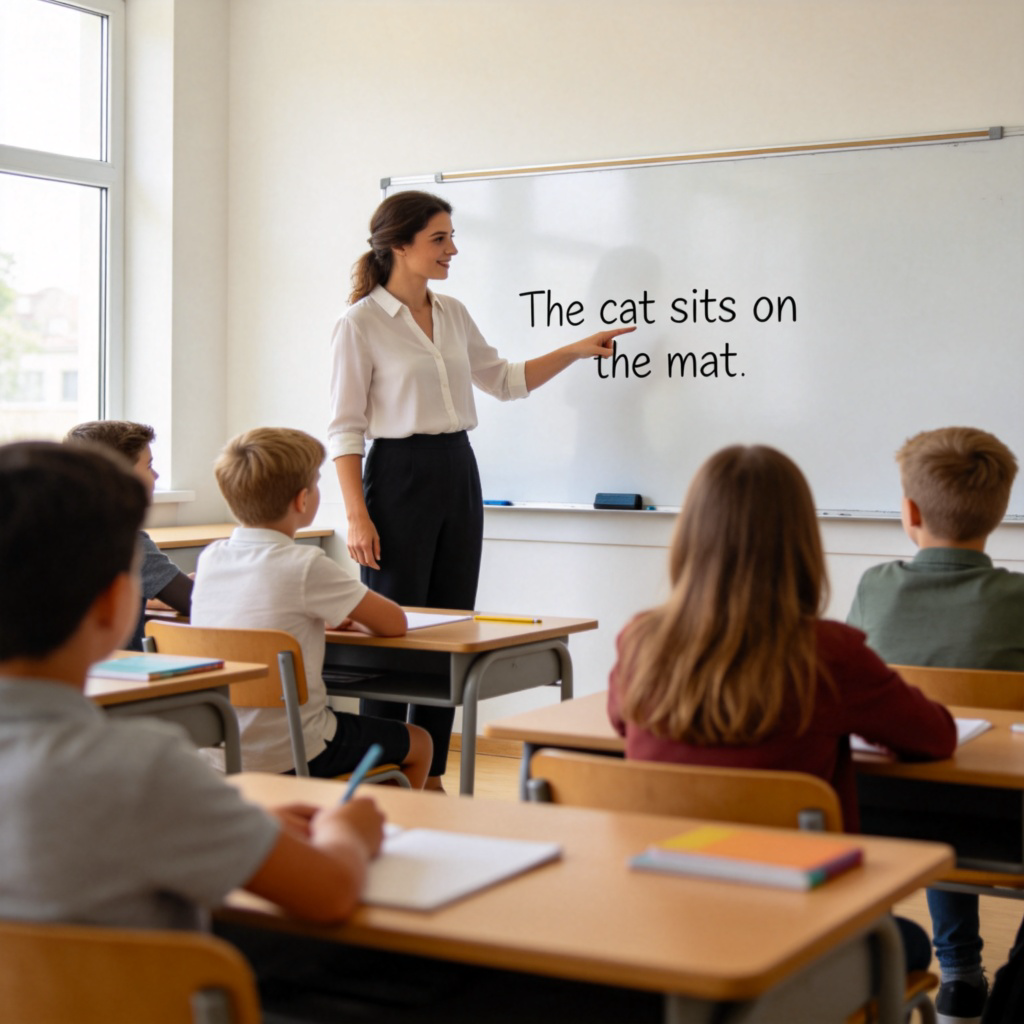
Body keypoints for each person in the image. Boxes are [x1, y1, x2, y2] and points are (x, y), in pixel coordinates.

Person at [0, 439, 384, 934]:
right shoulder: (140, 768)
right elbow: (329, 892)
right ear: (116, 603)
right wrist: (344, 831)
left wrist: (236, 823)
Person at [607, 444, 957, 973]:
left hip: (664, 923)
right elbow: (935, 737)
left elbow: (618, 721)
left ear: (691, 539)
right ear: (800, 544)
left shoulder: (642, 641)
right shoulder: (829, 653)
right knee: (907, 944)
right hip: (800, 936)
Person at [330, 190, 635, 791]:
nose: (453, 249)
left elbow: (505, 381)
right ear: (399, 246)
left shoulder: (453, 313)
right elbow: (345, 426)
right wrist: (357, 515)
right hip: (397, 474)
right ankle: (386, 772)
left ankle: (432, 772)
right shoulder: (359, 323)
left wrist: (575, 349)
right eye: (439, 239)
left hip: (456, 469)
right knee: (394, 632)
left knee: (449, 629)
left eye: (451, 236)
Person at [848, 426, 1024, 1024]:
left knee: (938, 772)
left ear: (910, 511)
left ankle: (958, 976)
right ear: (1000, 512)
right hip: (1009, 822)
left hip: (891, 811)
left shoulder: (875, 588)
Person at [191, 427, 431, 785]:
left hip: (216, 752)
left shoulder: (211, 559)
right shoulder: (306, 564)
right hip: (293, 750)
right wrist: (350, 618)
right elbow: (394, 622)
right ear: (303, 500)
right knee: (420, 741)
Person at [64, 420, 193, 649]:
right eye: (149, 466)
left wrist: (160, 593)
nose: (156, 475)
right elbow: (195, 602)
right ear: (121, 475)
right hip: (117, 676)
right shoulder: (123, 541)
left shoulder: (54, 531)